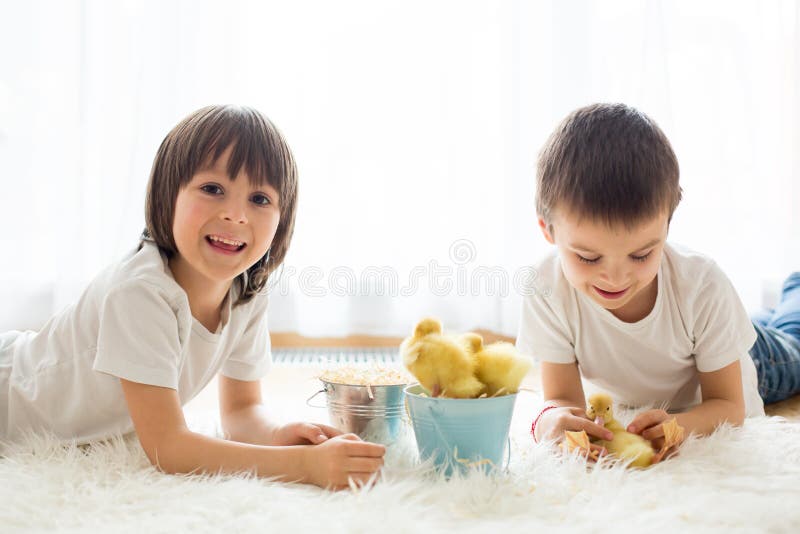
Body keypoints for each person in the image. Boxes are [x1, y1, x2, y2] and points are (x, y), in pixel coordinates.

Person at [0, 105, 385, 489]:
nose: (236, 215)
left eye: (260, 199)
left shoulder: (246, 291)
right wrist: (302, 466)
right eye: (212, 189)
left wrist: (279, 436)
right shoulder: (140, 293)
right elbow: (168, 447)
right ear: (169, 195)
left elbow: (242, 411)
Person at [518, 103, 800, 460]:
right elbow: (561, 400)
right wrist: (550, 420)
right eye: (588, 258)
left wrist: (678, 426)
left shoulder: (702, 285)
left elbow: (729, 405)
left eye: (641, 255)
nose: (616, 277)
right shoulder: (545, 287)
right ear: (548, 231)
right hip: (703, 341)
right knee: (744, 326)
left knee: (793, 341)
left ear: (668, 225)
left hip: (752, 364)